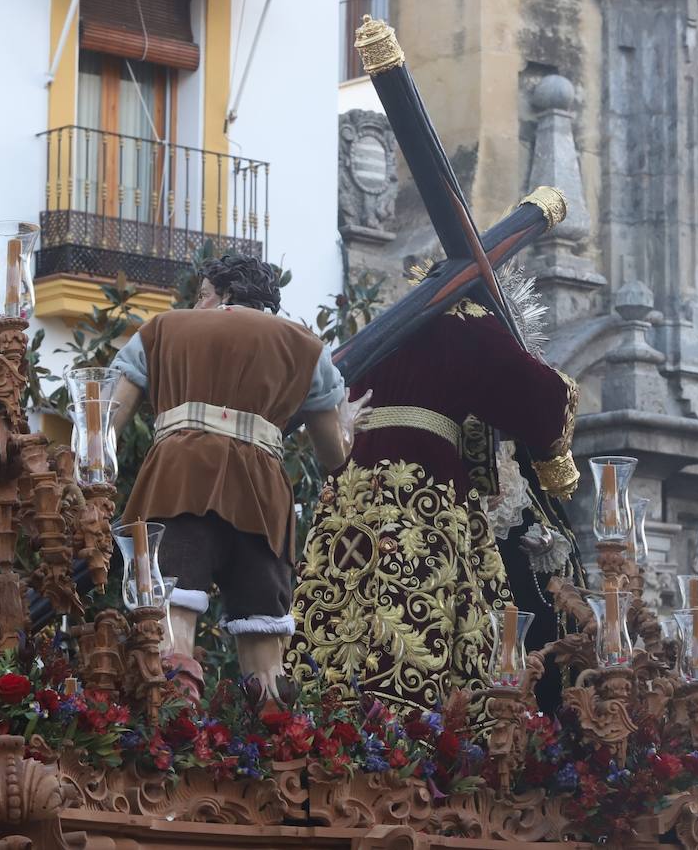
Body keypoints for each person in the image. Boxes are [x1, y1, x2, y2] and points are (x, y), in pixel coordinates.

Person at [289, 267, 580, 712]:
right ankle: (410, 736)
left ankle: (320, 726)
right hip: (422, 479)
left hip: (352, 483)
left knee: (336, 605)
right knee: (416, 605)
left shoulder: (395, 323)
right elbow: (538, 396)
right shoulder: (468, 320)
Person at [109, 253, 360, 700]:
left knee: (172, 615)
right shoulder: (306, 348)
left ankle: (170, 724)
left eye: (202, 294)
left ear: (224, 293)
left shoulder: (162, 329)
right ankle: (273, 744)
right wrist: (348, 423)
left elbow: (107, 421)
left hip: (178, 480)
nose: (199, 305)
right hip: (261, 497)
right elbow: (333, 455)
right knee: (265, 639)